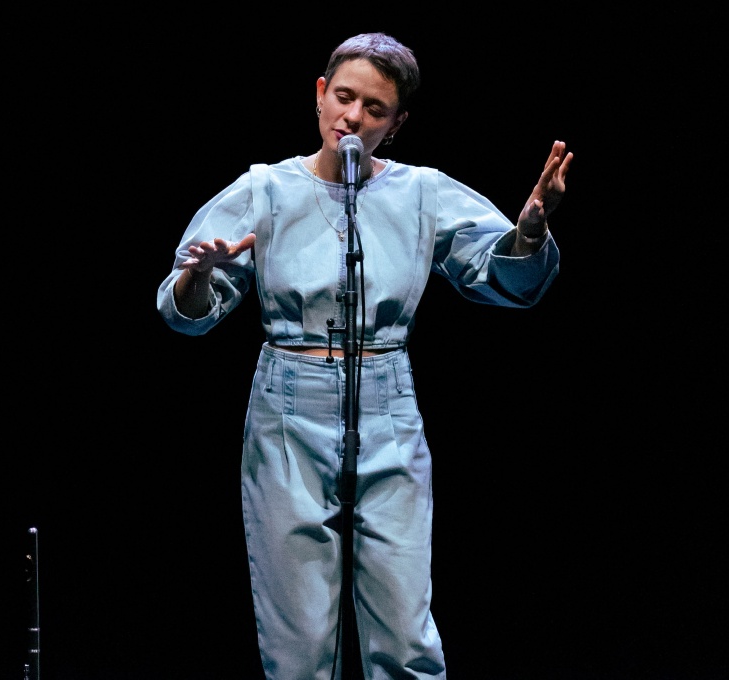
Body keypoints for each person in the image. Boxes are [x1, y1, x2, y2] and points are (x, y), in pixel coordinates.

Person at [157, 32, 573, 679]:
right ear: (320, 94)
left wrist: (528, 234)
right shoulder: (265, 188)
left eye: (374, 108)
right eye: (344, 97)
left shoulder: (421, 192)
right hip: (289, 405)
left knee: (405, 635)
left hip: (387, 400)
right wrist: (200, 274)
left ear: (396, 122)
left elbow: (506, 279)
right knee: (298, 643)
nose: (353, 117)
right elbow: (183, 312)